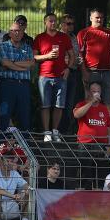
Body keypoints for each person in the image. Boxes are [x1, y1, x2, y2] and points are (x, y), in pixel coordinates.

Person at [33, 13, 75, 141]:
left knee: (59, 105)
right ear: (45, 23)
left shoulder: (63, 37)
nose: (53, 23)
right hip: (44, 76)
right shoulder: (40, 38)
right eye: (50, 21)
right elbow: (34, 57)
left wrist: (68, 68)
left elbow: (72, 55)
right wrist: (47, 56)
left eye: (55, 21)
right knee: (45, 105)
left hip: (61, 77)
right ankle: (47, 132)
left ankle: (55, 131)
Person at [73, 81, 110, 189]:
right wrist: (91, 102)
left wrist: (109, 145)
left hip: (101, 145)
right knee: (84, 174)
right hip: (85, 144)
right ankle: (82, 197)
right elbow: (77, 114)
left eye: (98, 91)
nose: (96, 93)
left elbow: (109, 127)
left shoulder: (104, 108)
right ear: (89, 92)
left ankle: (98, 197)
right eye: (93, 91)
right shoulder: (82, 104)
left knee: (100, 176)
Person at [0, 23, 35, 131]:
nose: (17, 33)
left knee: (25, 115)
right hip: (7, 84)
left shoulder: (27, 48)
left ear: (23, 33)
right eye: (14, 31)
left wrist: (12, 63)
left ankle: (25, 145)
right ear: (9, 33)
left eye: (19, 31)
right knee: (5, 114)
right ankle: (2, 144)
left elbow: (31, 64)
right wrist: (23, 66)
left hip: (24, 85)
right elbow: (5, 63)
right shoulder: (3, 46)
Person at [78, 8, 110, 107]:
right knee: (90, 100)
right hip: (91, 71)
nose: (99, 20)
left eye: (101, 18)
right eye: (97, 17)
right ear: (91, 18)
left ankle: (107, 121)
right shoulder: (83, 33)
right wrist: (84, 71)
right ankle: (90, 121)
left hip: (107, 72)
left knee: (108, 100)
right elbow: (79, 54)